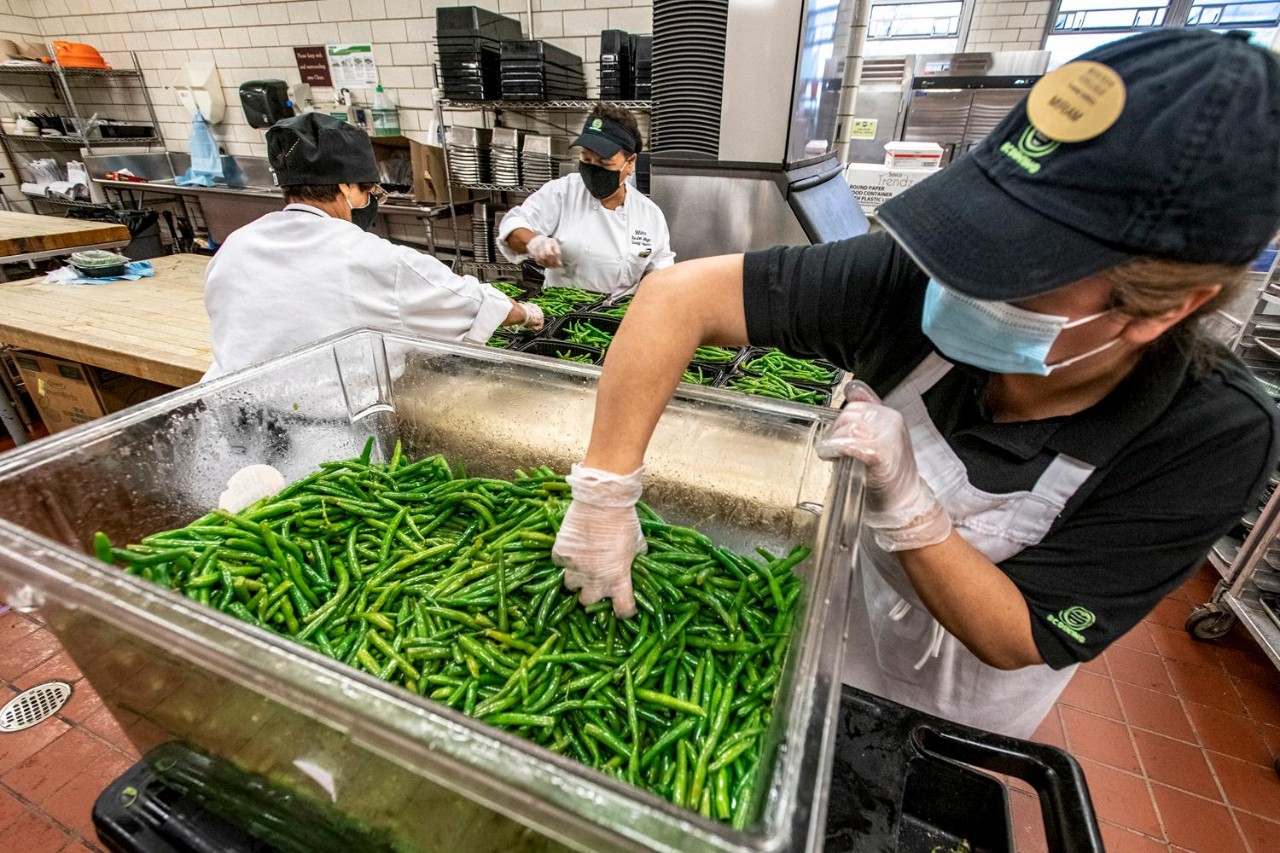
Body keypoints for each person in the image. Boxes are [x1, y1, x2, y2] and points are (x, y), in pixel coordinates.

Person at [548, 30, 1280, 738]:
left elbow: (1021, 631)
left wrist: (913, 510)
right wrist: (605, 491)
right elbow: (677, 297)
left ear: (1161, 307)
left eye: (1017, 269)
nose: (959, 281)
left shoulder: (1213, 433)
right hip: (828, 626)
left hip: (949, 711)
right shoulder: (911, 281)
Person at [203, 113, 543, 379]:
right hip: (324, 437)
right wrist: (527, 312)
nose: (369, 201)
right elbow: (473, 303)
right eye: (368, 191)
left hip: (233, 421)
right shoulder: (373, 257)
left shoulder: (236, 245)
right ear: (347, 186)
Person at [497, 103, 675, 298]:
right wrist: (534, 242)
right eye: (586, 159)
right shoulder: (562, 193)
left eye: (604, 162)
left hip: (618, 319)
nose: (593, 168)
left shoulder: (649, 214)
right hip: (562, 315)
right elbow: (513, 226)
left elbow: (661, 273)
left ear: (630, 162)